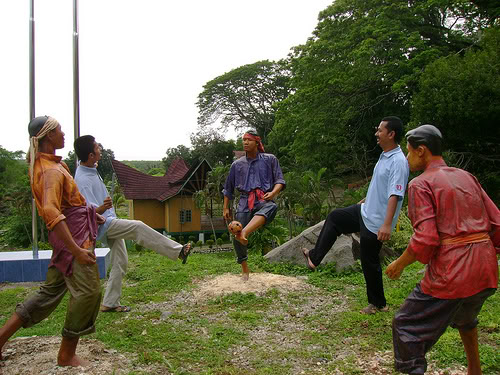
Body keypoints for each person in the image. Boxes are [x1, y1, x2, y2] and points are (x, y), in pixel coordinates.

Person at [386, 125, 499, 375]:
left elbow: (426, 239)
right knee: (464, 315)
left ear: (421, 151)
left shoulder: (420, 184)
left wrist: (399, 264)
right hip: (485, 270)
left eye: (409, 152)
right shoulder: (466, 176)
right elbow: (497, 223)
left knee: (405, 325)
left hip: (452, 273)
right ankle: (475, 370)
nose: (407, 158)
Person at [0, 116, 103, 367]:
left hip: (70, 235)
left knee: (49, 292)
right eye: (59, 130)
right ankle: (67, 354)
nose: (64, 134)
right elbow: (51, 211)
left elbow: (71, 203)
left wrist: (91, 212)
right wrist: (77, 250)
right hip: (73, 238)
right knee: (89, 291)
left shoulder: (55, 166)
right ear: (48, 137)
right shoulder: (51, 171)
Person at [302, 116, 410, 314]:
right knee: (335, 217)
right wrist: (366, 200)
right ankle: (315, 258)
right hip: (366, 210)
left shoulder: (398, 162)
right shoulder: (385, 155)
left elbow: (395, 193)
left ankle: (378, 304)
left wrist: (387, 225)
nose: (376, 134)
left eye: (380, 130)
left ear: (391, 134)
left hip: (377, 221)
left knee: (370, 262)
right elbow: (381, 186)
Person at [73, 135, 191, 313]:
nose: (100, 149)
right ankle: (178, 251)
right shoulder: (82, 181)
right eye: (97, 147)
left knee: (120, 261)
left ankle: (110, 302)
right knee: (138, 227)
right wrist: (102, 208)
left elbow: (91, 171)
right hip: (102, 224)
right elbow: (85, 212)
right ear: (90, 155)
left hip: (108, 219)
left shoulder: (89, 169)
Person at [223, 130, 285, 280]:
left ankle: (245, 232)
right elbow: (228, 188)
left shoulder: (270, 159)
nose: (245, 142)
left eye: (249, 140)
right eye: (243, 140)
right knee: (235, 231)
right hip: (244, 202)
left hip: (263, 198)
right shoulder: (236, 165)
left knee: (272, 206)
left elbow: (280, 180)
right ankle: (244, 267)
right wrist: (225, 207)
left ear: (257, 142)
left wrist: (273, 193)